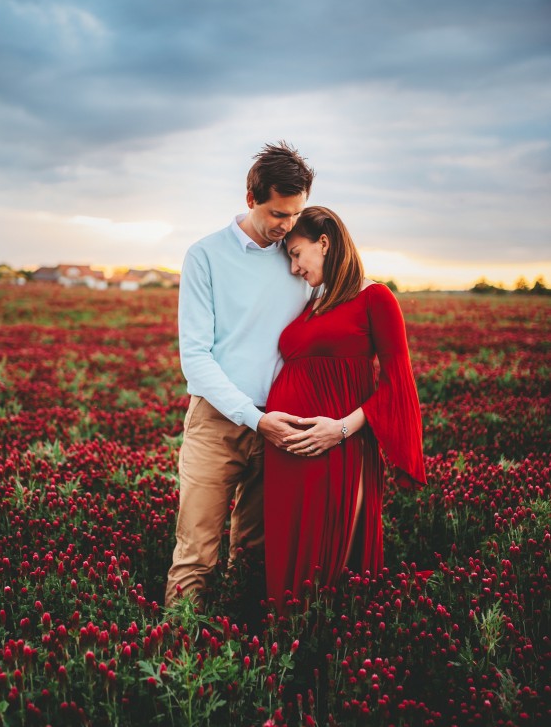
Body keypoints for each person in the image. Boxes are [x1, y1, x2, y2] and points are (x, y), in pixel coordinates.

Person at [164, 142, 316, 609]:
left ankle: (242, 662)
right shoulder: (205, 255)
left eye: (295, 214)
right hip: (218, 421)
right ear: (250, 198)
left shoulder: (299, 255)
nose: (286, 225)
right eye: (276, 213)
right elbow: (195, 357)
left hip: (283, 425)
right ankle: (179, 661)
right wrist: (253, 417)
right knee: (197, 554)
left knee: (254, 555)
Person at [264, 206, 426, 612]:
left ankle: (330, 653)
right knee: (286, 563)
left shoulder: (376, 297)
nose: (294, 267)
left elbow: (397, 383)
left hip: (338, 445)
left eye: (297, 253)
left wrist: (339, 429)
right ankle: (285, 648)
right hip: (286, 448)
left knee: (329, 569)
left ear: (324, 242)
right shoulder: (311, 301)